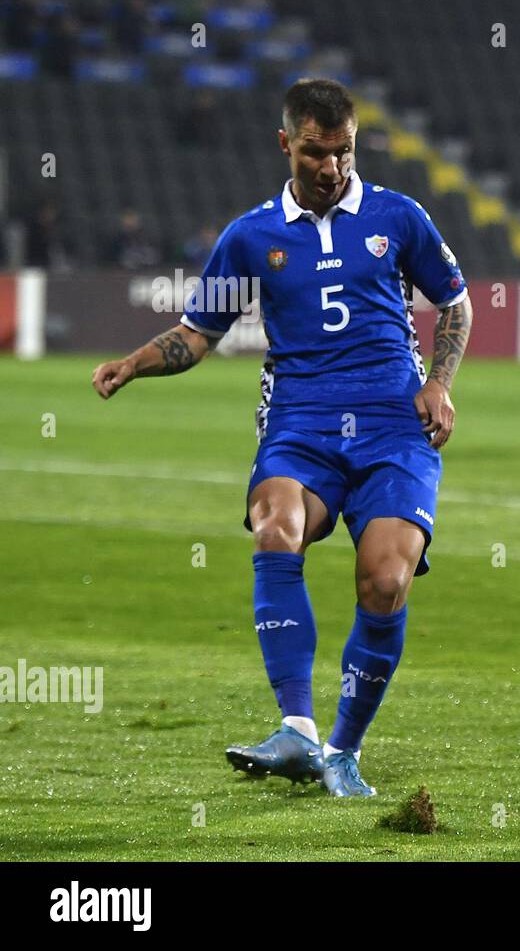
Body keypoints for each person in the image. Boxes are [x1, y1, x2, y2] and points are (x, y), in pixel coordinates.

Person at [91, 79, 473, 797]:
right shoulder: (251, 236)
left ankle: (343, 752)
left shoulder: (398, 216)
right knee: (275, 529)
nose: (331, 168)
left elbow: (453, 303)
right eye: (315, 153)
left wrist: (439, 382)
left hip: (395, 422)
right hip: (301, 422)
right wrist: (132, 365)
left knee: (386, 581)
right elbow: (196, 335)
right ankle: (297, 731)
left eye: (344, 152)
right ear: (285, 144)